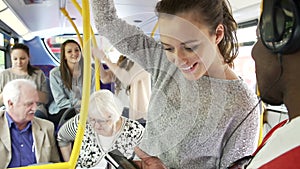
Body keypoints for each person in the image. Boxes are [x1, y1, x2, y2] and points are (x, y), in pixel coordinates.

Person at [91, 0, 260, 168]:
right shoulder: (163, 62)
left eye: (189, 47)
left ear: (217, 34)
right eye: (169, 48)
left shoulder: (242, 105)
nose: (178, 60)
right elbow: (107, 23)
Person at [57, 89, 144, 168]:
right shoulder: (82, 122)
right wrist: (70, 164)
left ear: (114, 116)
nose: (96, 125)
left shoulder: (135, 131)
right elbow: (62, 138)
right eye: (92, 119)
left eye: (101, 121)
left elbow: (143, 162)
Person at [0, 79, 60, 168]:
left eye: (37, 103)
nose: (35, 109)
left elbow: (55, 165)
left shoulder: (47, 128)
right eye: (29, 104)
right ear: (11, 104)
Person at [48, 39, 95, 128]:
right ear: (64, 56)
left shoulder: (90, 72)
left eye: (77, 50)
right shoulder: (55, 74)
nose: (74, 53)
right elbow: (61, 102)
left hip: (86, 109)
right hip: (63, 110)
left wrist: (85, 106)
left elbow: (92, 95)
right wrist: (80, 104)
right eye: (69, 51)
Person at [97, 51, 151, 122]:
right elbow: (106, 78)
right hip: (120, 110)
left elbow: (127, 78)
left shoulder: (144, 61)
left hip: (139, 115)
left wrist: (105, 58)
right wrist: (97, 61)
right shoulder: (123, 61)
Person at [0, 43, 49, 119]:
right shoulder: (4, 75)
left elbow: (45, 99)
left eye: (22, 58)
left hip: (34, 108)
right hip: (10, 109)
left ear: (28, 57)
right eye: (15, 59)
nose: (19, 62)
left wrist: (28, 91)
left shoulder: (38, 74)